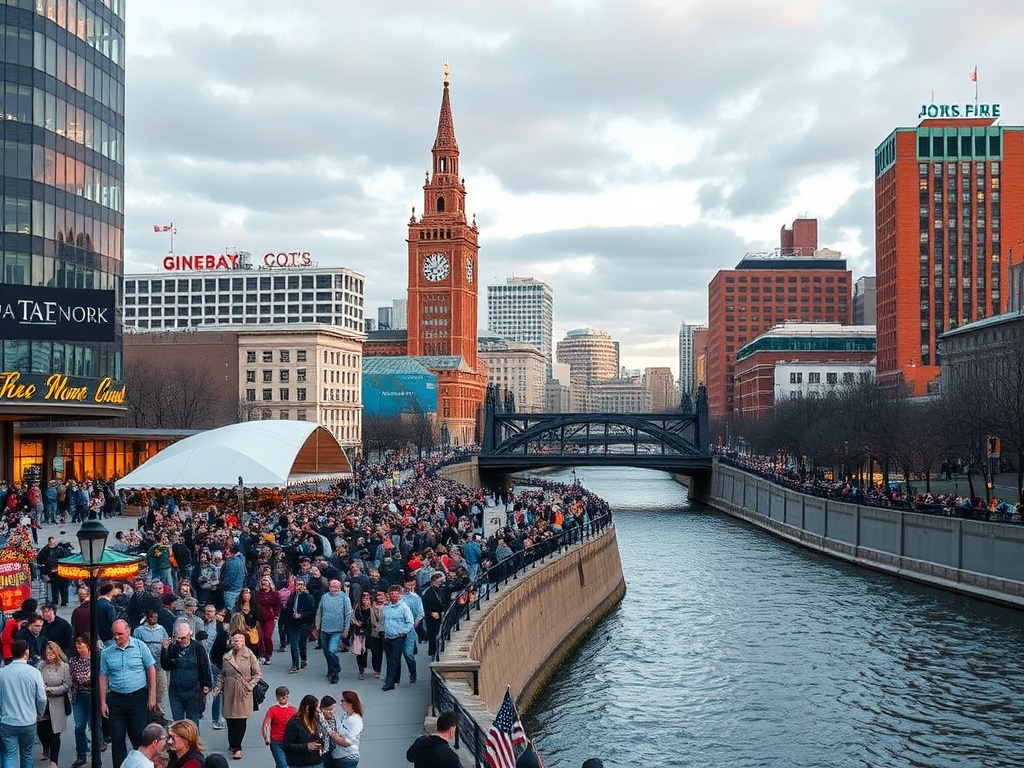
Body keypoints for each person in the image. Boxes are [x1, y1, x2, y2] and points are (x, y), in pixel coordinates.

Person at [100, 619, 158, 768]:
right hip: (117, 698)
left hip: (138, 697)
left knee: (138, 735)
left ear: (128, 631)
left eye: (120, 634)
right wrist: (103, 701)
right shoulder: (107, 652)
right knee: (117, 738)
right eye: (114, 635)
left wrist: (152, 695)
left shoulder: (140, 646)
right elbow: (103, 676)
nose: (117, 637)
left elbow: (151, 668)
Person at [211, 630, 261, 760]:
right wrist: (217, 689)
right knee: (230, 719)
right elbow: (222, 675)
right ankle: (233, 742)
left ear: (244, 642)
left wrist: (250, 685)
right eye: (235, 640)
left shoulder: (249, 655)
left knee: (241, 719)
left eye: (239, 640)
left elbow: (257, 674)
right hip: (229, 690)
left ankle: (237, 747)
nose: (237, 642)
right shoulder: (226, 656)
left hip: (243, 690)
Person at [0, 640, 48, 768]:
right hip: (28, 720)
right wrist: (40, 713)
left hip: (8, 720)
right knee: (26, 754)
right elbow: (42, 698)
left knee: (9, 754)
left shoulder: (2, 673)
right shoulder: (34, 672)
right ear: (26, 652)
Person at [161, 624, 213, 728]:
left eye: (183, 637)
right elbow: (166, 666)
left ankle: (193, 744)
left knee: (192, 723)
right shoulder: (173, 647)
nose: (180, 640)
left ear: (190, 635)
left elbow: (205, 666)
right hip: (176, 691)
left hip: (194, 691)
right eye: (178, 637)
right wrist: (164, 651)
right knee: (178, 724)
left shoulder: (198, 647)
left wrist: (206, 684)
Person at [38, 641, 72, 768]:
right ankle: (45, 748)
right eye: (48, 651)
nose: (50, 653)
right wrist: (43, 689)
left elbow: (66, 685)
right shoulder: (41, 665)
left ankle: (54, 762)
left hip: (58, 702)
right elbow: (37, 681)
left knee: (54, 733)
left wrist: (52, 690)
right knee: (42, 731)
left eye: (52, 651)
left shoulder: (64, 666)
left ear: (57, 652)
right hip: (43, 703)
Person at [315, 580, 352, 685]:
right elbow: (319, 612)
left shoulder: (344, 597)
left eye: (335, 587)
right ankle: (330, 669)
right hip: (325, 629)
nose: (333, 589)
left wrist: (346, 629)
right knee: (326, 652)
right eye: (331, 587)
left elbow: (348, 613)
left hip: (337, 629)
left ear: (340, 588)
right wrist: (317, 627)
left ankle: (336, 671)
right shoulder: (324, 597)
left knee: (332, 651)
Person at [68, 636, 95, 768]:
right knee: (79, 726)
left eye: (81, 644)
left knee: (94, 725)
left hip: (92, 696)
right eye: (77, 644)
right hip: (78, 696)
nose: (78, 647)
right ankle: (81, 755)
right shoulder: (73, 660)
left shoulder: (95, 658)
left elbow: (92, 677)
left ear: (88, 645)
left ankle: (96, 754)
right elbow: (75, 677)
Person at [381, 584, 414, 692]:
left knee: (393, 659)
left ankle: (389, 682)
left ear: (399, 595)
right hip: (388, 636)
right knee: (392, 659)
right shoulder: (387, 607)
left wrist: (403, 632)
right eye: (391, 594)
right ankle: (395, 680)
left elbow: (410, 622)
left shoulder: (404, 608)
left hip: (398, 637)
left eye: (395, 593)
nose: (393, 596)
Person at [323, 691, 363, 768]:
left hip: (347, 756)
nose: (340, 704)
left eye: (342, 701)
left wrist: (334, 736)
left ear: (349, 703)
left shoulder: (355, 720)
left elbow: (347, 742)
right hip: (339, 755)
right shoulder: (345, 716)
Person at [281, 694, 323, 768]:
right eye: (315, 710)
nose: (319, 711)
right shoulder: (294, 723)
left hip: (317, 762)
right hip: (300, 763)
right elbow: (286, 746)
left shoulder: (316, 721)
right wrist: (305, 747)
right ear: (308, 709)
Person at [284, 580, 315, 674]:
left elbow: (312, 611)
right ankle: (295, 664)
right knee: (294, 644)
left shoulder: (308, 597)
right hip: (293, 623)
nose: (300, 587)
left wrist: (301, 615)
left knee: (301, 643)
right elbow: (288, 609)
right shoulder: (292, 596)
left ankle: (303, 658)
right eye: (298, 585)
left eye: (302, 585)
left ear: (305, 586)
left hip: (304, 623)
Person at [261, 686, 296, 768]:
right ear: (277, 697)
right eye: (280, 697)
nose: (282, 699)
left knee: (285, 763)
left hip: (290, 741)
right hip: (277, 741)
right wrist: (266, 738)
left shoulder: (293, 710)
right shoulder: (272, 710)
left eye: (284, 697)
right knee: (282, 764)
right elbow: (265, 725)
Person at [421, 572, 451, 657]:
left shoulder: (443, 589)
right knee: (433, 635)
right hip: (432, 616)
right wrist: (431, 613)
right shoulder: (427, 593)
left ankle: (441, 648)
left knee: (443, 632)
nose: (440, 583)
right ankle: (433, 652)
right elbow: (425, 607)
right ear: (433, 581)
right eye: (439, 581)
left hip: (442, 612)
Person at [254, 576, 282, 664]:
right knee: (259, 637)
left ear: (270, 584)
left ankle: (268, 654)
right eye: (262, 583)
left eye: (266, 583)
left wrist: (276, 615)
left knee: (267, 636)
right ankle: (260, 655)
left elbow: (278, 605)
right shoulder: (257, 594)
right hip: (259, 618)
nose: (264, 585)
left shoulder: (274, 594)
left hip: (270, 618)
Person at [349, 593, 371, 679]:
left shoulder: (372, 609)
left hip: (369, 632)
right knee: (359, 652)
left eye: (367, 598)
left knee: (367, 651)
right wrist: (356, 623)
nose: (366, 600)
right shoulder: (357, 609)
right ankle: (361, 670)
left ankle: (376, 669)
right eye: (364, 598)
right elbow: (353, 618)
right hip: (358, 632)